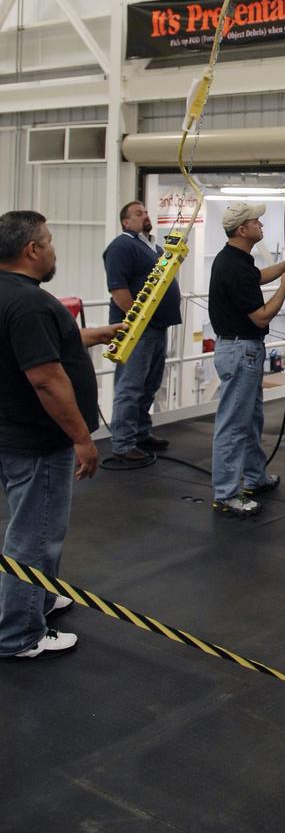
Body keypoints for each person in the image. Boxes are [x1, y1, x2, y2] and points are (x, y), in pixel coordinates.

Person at [0, 211, 118, 659]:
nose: (53, 249)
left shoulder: (14, 298)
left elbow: (41, 342)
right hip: (36, 442)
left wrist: (92, 334)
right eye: (48, 241)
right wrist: (82, 440)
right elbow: (46, 378)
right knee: (34, 536)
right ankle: (19, 636)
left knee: (33, 528)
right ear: (32, 250)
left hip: (11, 434)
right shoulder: (30, 302)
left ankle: (40, 598)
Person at [208, 202, 285, 517]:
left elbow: (258, 276)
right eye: (256, 222)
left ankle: (255, 477)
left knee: (250, 420)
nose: (261, 225)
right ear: (242, 229)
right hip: (240, 351)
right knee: (234, 425)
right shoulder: (233, 267)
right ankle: (226, 494)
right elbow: (262, 317)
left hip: (242, 350)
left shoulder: (235, 259)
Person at [103, 201, 182, 463]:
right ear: (126, 222)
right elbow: (118, 289)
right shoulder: (121, 246)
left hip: (156, 326)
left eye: (146, 212)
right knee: (131, 385)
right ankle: (123, 443)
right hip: (139, 329)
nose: (145, 216)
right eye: (139, 214)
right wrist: (136, 320)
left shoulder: (154, 247)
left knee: (149, 384)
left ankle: (140, 433)